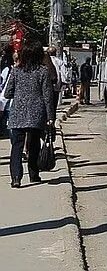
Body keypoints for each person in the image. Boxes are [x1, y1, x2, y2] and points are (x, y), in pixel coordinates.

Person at [3, 41, 57, 188]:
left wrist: (20, 94)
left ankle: (16, 178)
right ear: (39, 55)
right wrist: (51, 117)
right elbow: (48, 96)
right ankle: (34, 175)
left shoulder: (16, 70)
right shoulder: (43, 71)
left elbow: (7, 93)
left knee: (16, 146)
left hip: (18, 113)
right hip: (37, 113)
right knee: (33, 145)